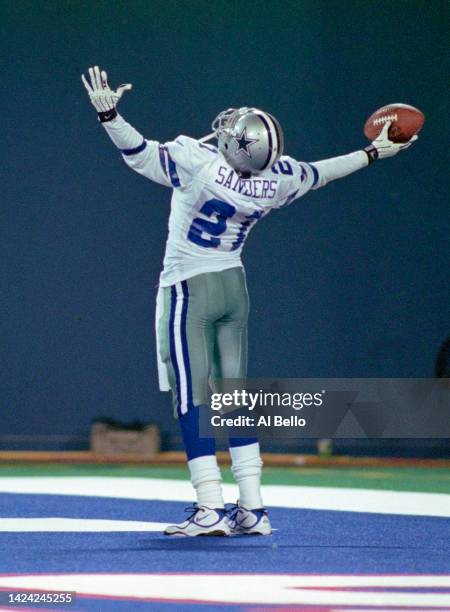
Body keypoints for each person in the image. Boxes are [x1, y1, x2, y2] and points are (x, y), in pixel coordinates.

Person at [82, 66, 417, 536]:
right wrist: (372, 152)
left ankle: (209, 507)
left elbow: (139, 154)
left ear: (237, 145)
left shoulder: (198, 163)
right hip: (233, 286)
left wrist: (109, 115)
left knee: (194, 397)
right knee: (234, 394)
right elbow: (322, 172)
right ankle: (253, 507)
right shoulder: (277, 179)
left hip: (190, 286)